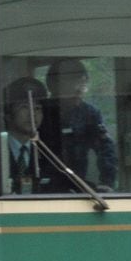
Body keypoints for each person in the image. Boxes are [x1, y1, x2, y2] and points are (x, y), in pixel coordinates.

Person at [43, 59, 117, 192]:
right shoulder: (40, 112)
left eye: (83, 80)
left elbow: (106, 148)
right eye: (71, 80)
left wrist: (107, 181)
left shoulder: (89, 113)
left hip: (77, 185)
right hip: (41, 188)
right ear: (53, 84)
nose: (79, 86)